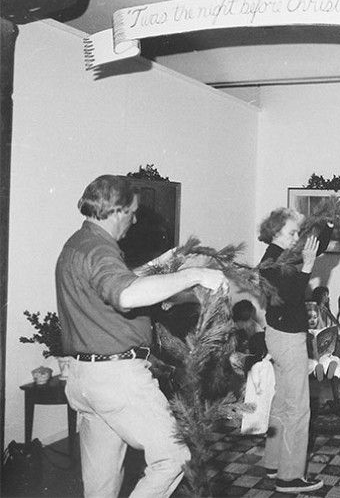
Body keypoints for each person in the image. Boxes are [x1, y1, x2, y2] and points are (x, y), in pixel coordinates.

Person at [55, 174, 228, 498]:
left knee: (101, 487)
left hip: (85, 380)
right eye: (132, 212)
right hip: (116, 380)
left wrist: (160, 266)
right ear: (117, 210)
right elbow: (126, 296)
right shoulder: (99, 250)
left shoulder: (79, 245)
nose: (134, 220)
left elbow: (114, 285)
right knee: (174, 457)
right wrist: (195, 274)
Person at [257, 207, 324, 494]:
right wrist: (308, 267)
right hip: (288, 339)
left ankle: (273, 462)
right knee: (298, 408)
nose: (297, 237)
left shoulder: (274, 256)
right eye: (292, 232)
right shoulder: (274, 261)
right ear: (275, 233)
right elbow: (290, 296)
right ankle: (290, 476)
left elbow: (315, 248)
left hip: (276, 335)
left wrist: (328, 222)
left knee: (283, 401)